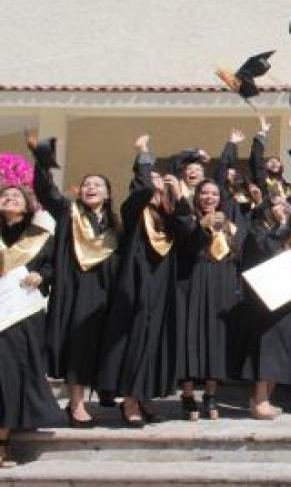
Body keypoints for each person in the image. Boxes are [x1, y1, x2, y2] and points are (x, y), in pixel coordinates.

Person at [29, 132, 120, 427]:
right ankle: (76, 405)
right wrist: (43, 158)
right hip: (75, 290)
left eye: (98, 185)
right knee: (77, 345)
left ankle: (95, 397)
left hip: (105, 293)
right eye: (86, 184)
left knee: (98, 345)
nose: (91, 188)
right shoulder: (69, 213)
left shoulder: (115, 225)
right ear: (79, 192)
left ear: (107, 193)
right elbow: (47, 192)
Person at [97, 135, 178, 426]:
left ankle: (145, 395)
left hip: (163, 286)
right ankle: (129, 400)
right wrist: (144, 155)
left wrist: (177, 194)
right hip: (137, 283)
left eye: (160, 180)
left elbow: (188, 227)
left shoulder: (169, 217)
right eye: (152, 179)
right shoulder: (134, 212)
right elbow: (142, 189)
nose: (157, 183)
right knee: (136, 338)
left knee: (155, 339)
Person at [0, 185, 62, 466]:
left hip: (22, 313)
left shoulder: (39, 235)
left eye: (16, 196)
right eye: (4, 195)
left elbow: (52, 266)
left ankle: (4, 440)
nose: (9, 198)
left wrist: (40, 275)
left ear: (27, 205)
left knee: (13, 375)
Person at [173, 179, 243, 421]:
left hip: (221, 285)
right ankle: (188, 394)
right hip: (192, 282)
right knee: (189, 337)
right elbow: (186, 247)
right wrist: (201, 225)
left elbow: (238, 256)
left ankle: (211, 395)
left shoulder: (230, 226)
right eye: (205, 192)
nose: (210, 197)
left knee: (216, 338)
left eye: (214, 193)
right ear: (197, 196)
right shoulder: (187, 219)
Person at [238, 193, 291, 420]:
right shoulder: (257, 230)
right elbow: (267, 248)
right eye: (277, 203)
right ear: (267, 208)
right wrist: (283, 224)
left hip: (286, 297)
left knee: (281, 348)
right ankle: (259, 399)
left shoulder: (288, 232)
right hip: (264, 301)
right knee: (266, 350)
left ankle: (267, 397)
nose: (283, 207)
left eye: (285, 204)